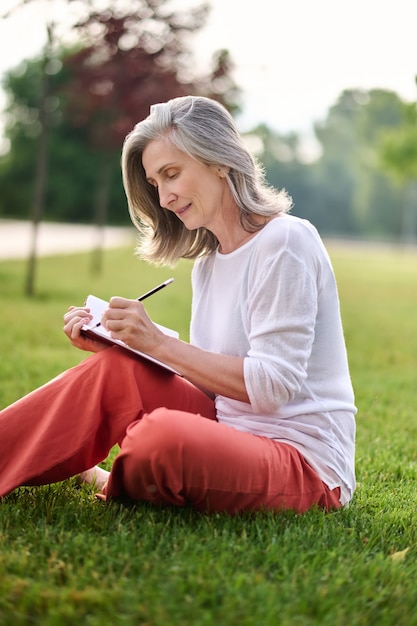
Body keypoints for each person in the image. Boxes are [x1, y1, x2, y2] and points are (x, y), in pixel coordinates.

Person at [0, 96, 356, 514]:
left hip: (302, 463)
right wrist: (129, 348)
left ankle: (110, 477)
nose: (165, 196)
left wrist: (158, 344)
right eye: (155, 184)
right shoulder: (209, 262)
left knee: (162, 438)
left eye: (172, 174)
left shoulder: (285, 242)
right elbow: (210, 386)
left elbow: (273, 387)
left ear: (219, 161)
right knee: (117, 372)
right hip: (227, 431)